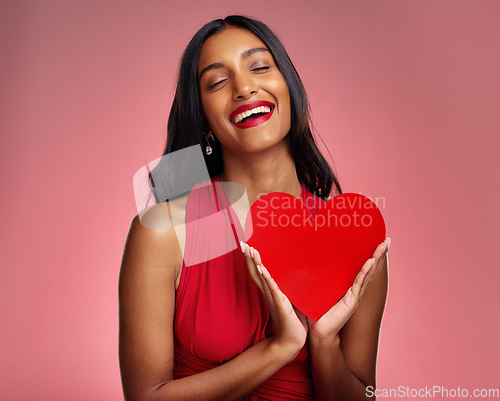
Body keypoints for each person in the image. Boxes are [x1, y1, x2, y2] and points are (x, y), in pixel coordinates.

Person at [119, 15, 390, 401]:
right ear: (205, 122)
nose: (245, 88)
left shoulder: (355, 238)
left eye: (260, 66)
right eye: (217, 82)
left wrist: (324, 344)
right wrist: (279, 347)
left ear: (289, 89)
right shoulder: (161, 232)